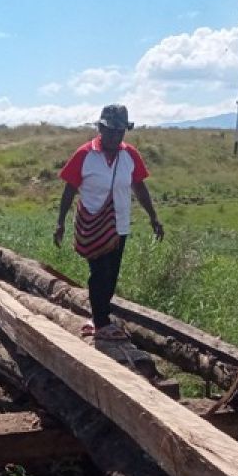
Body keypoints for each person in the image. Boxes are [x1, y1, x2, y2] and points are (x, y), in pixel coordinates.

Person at [53, 104, 163, 340]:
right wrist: (60, 222)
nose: (115, 136)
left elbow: (139, 187)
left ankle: (99, 316)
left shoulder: (130, 155)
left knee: (111, 273)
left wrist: (153, 217)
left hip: (119, 224)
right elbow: (69, 189)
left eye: (120, 132)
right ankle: (102, 322)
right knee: (99, 272)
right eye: (110, 131)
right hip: (92, 225)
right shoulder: (84, 154)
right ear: (101, 128)